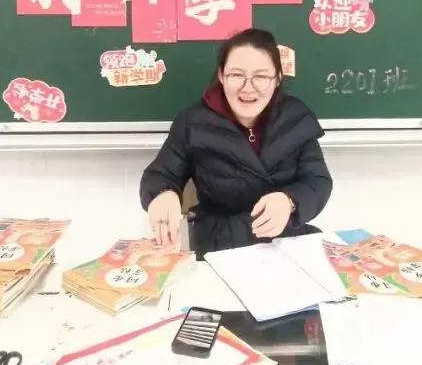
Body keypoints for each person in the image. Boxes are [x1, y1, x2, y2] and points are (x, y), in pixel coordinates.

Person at [139, 28, 333, 257]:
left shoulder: (296, 118)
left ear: (277, 79)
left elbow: (317, 181)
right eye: (236, 75)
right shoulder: (193, 122)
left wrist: (289, 202)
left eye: (261, 77)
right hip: (219, 242)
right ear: (222, 76)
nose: (248, 88)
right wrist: (163, 195)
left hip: (286, 238)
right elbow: (160, 174)